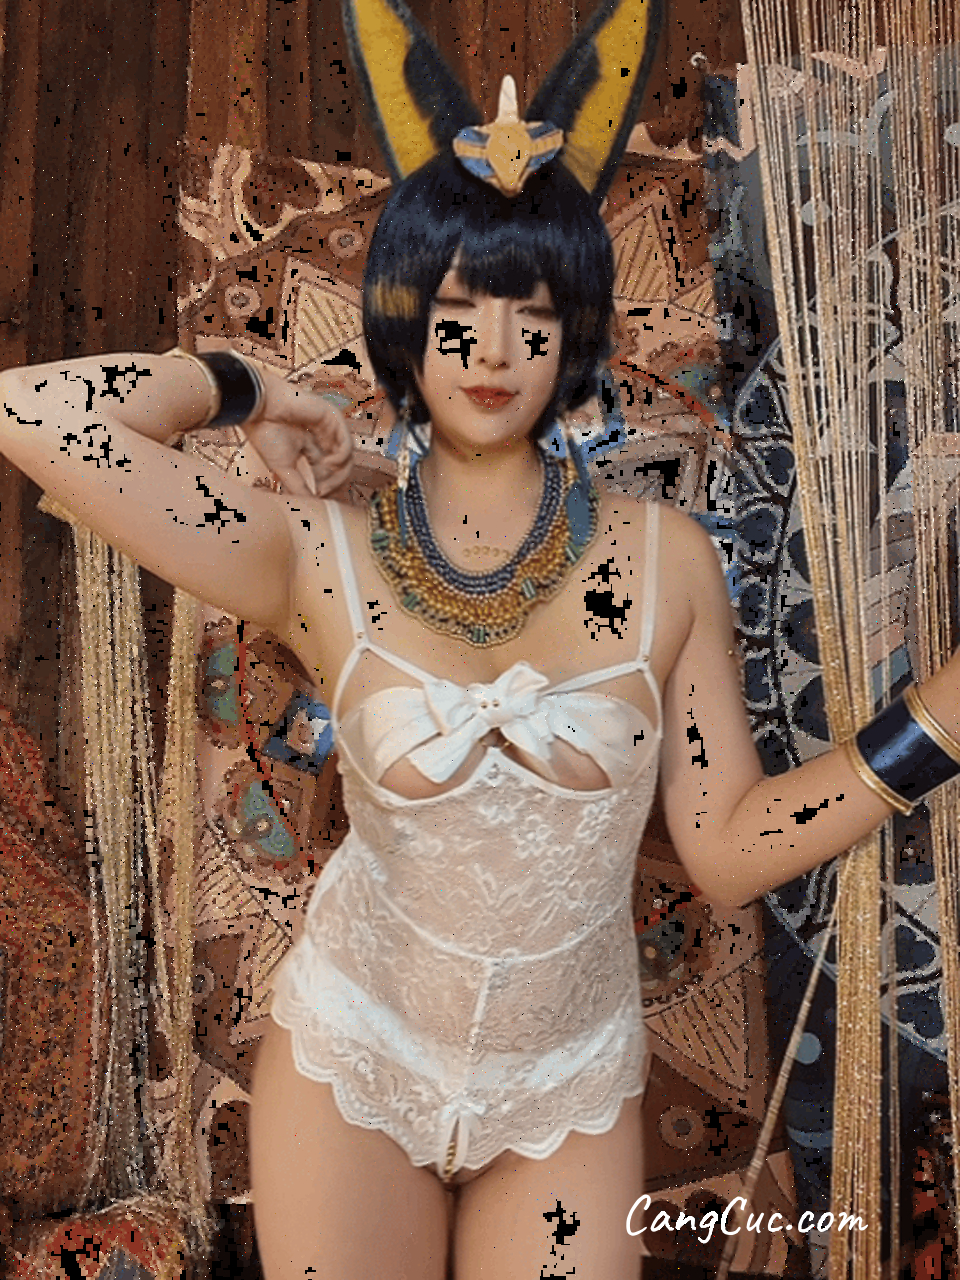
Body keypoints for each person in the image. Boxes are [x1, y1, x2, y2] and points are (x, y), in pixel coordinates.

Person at [2, 5, 960, 1279]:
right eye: (457, 307)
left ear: (575, 332)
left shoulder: (666, 562)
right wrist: (246, 384)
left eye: (532, 312)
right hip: (352, 1068)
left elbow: (729, 849)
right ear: (406, 321)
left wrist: (937, 723)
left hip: (566, 1090)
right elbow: (35, 412)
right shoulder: (315, 557)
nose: (494, 348)